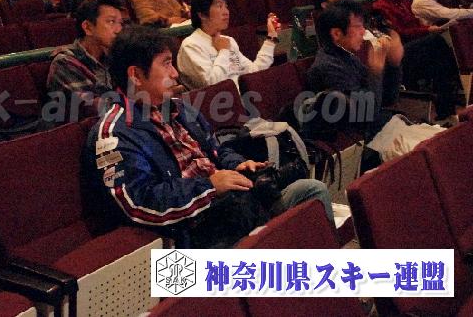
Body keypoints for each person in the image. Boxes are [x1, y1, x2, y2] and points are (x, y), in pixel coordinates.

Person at [82, 28, 333, 248]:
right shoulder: (115, 133)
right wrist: (210, 186)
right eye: (166, 64)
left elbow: (216, 150)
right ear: (135, 75)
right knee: (276, 243)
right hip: (194, 236)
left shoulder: (180, 108)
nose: (175, 73)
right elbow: (138, 203)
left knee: (312, 190)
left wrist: (237, 164)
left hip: (235, 208)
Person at [373, 0, 461, 121]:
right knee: (437, 43)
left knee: (440, 61)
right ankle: (449, 102)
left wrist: (427, 28)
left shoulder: (404, 2)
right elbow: (398, 33)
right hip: (400, 53)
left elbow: (415, 25)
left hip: (417, 47)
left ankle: (446, 112)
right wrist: (427, 30)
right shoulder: (380, 7)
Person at [307, 0, 404, 140]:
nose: (364, 32)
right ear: (336, 34)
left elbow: (388, 99)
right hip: (359, 141)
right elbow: (366, 116)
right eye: (358, 26)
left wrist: (393, 64)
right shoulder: (328, 67)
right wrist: (375, 72)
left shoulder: (347, 57)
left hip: (379, 129)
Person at [177, 0, 279, 90]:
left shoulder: (228, 40)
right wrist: (224, 51)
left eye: (226, 6)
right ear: (202, 15)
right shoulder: (191, 45)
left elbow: (253, 73)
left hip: (246, 96)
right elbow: (213, 86)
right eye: (219, 6)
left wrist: (271, 38)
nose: (226, 12)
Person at [46, 0, 123, 119]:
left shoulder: (113, 55)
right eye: (111, 21)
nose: (118, 29)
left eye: (120, 23)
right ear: (87, 27)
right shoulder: (65, 62)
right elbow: (95, 108)